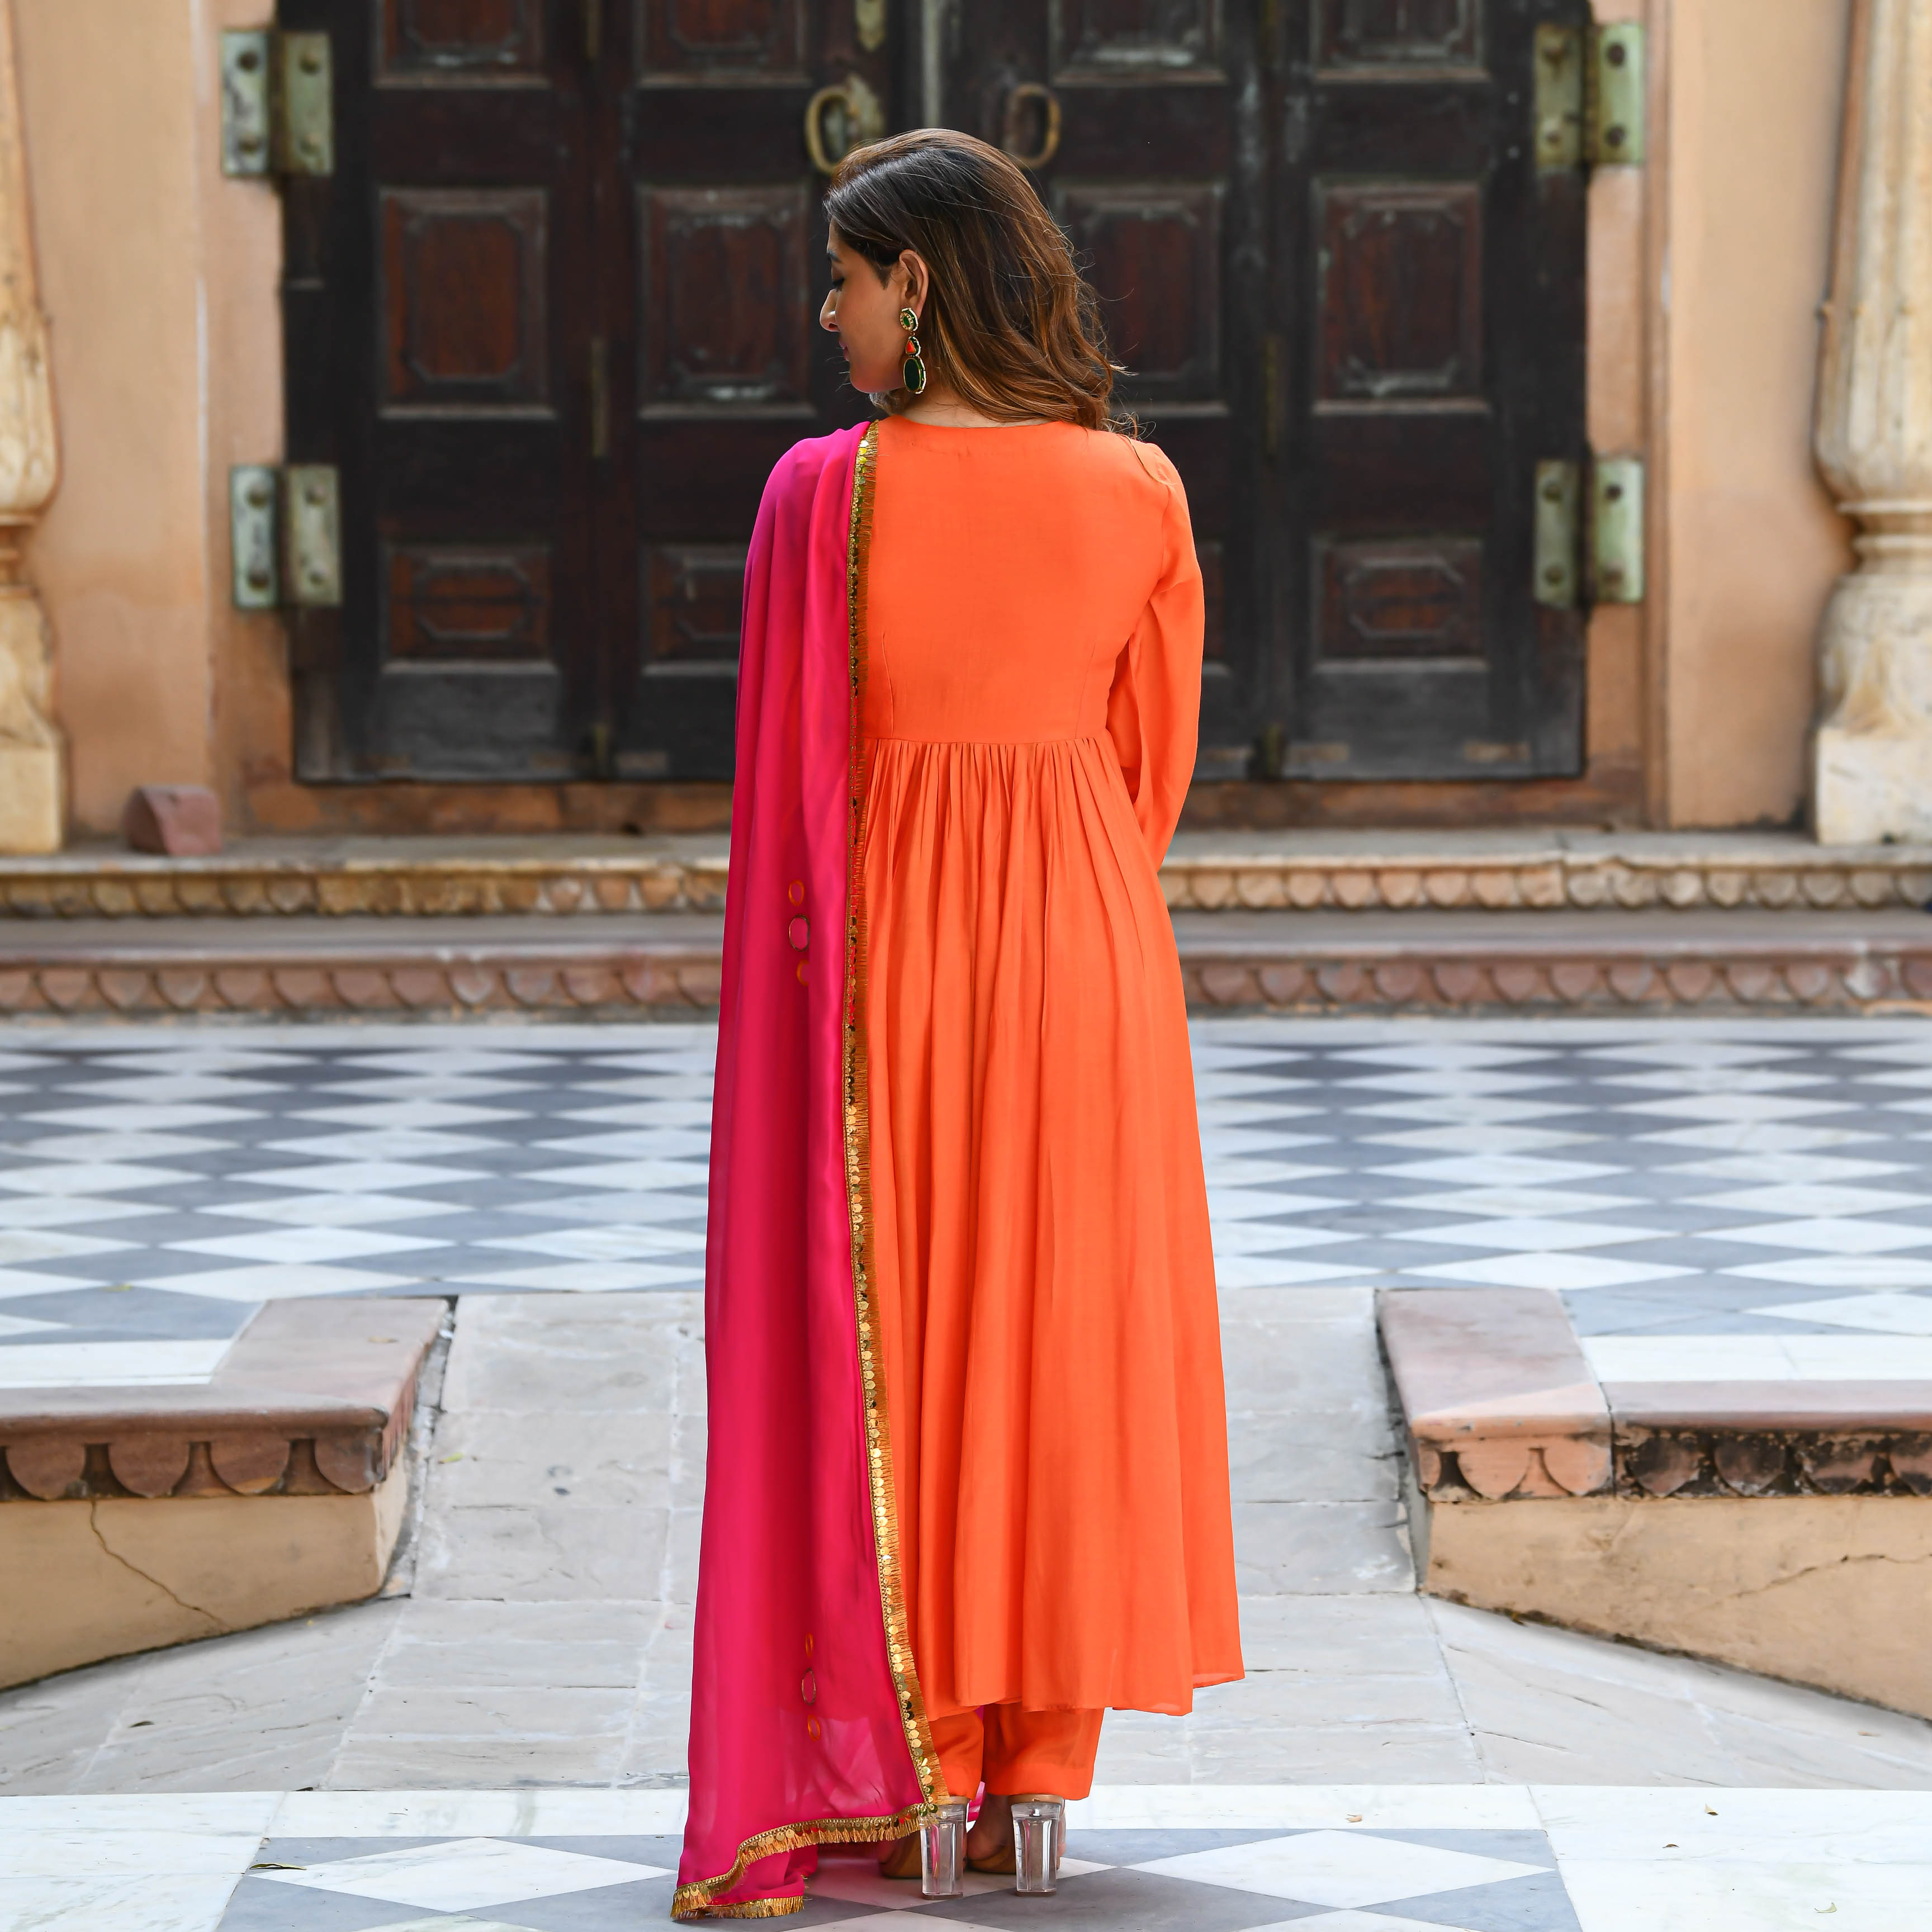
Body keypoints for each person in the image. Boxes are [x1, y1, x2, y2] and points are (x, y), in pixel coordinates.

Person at [674, 128, 1241, 1922]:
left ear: (913, 284)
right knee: (1057, 1344)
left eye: (840, 281)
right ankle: (1036, 1791)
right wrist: (1056, 869)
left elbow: (783, 799)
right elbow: (1152, 768)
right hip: (1086, 946)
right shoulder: (1139, 487)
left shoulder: (816, 497)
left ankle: (915, 1775)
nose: (823, 315)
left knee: (898, 1333)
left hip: (885, 953)